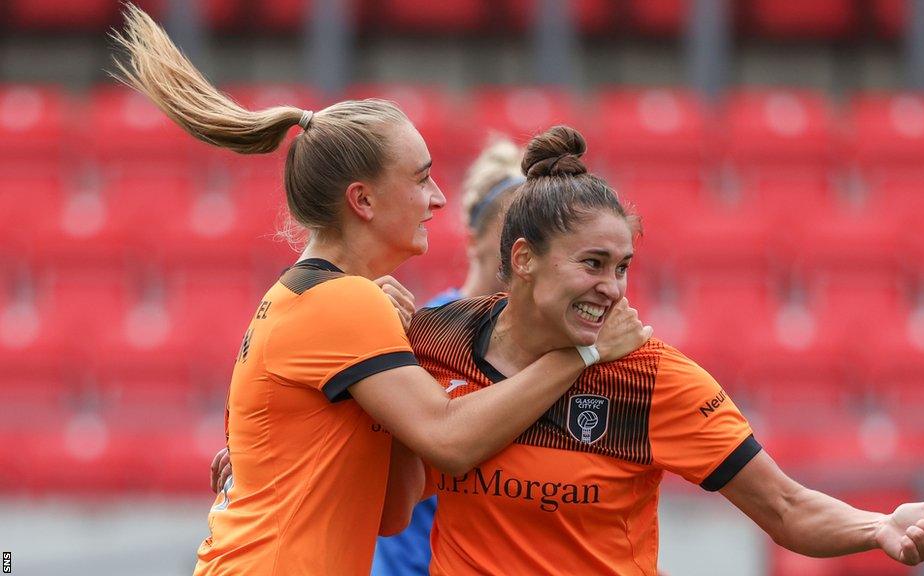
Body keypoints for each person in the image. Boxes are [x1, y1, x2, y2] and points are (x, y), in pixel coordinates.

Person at [215, 124, 924, 574]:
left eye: (623, 267)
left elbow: (786, 507)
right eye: (592, 265)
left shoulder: (653, 377)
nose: (612, 289)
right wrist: (265, 457)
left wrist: (878, 527)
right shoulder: (439, 341)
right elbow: (365, 434)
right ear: (521, 260)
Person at [109, 6, 652, 576]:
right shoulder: (344, 303)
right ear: (363, 201)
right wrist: (583, 353)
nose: (438, 198)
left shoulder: (333, 300)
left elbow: (393, 510)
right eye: (421, 179)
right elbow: (450, 440)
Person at [371, 136, 525, 576]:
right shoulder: (426, 331)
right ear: (474, 237)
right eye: (511, 234)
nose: (526, 251)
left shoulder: (546, 348)